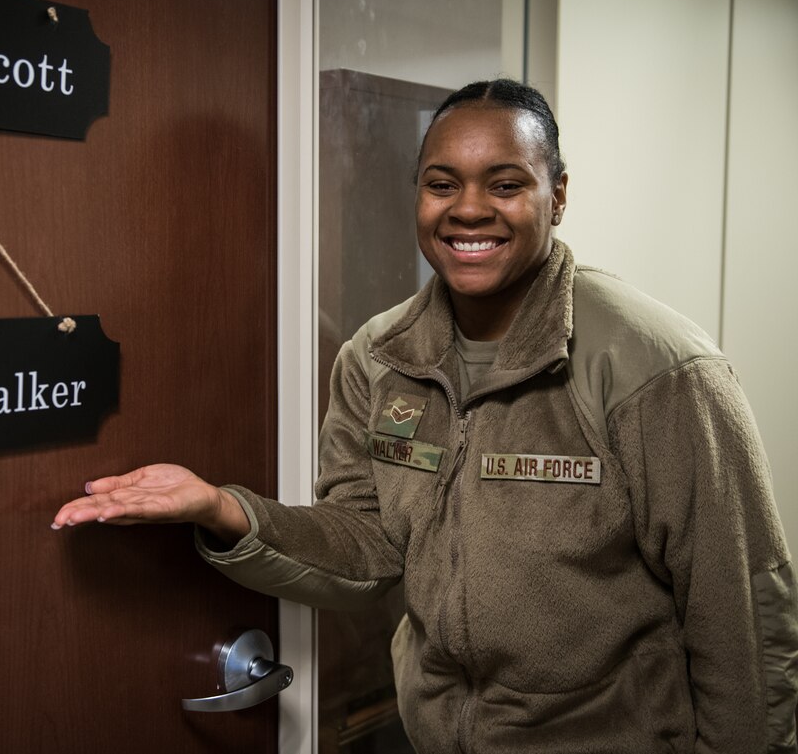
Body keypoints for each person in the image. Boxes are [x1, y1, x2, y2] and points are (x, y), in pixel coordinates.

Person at [51, 80, 798, 753]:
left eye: (506, 184)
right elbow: (367, 542)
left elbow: (742, 612)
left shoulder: (657, 368)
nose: (469, 208)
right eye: (443, 184)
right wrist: (223, 509)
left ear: (558, 195)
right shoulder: (379, 357)